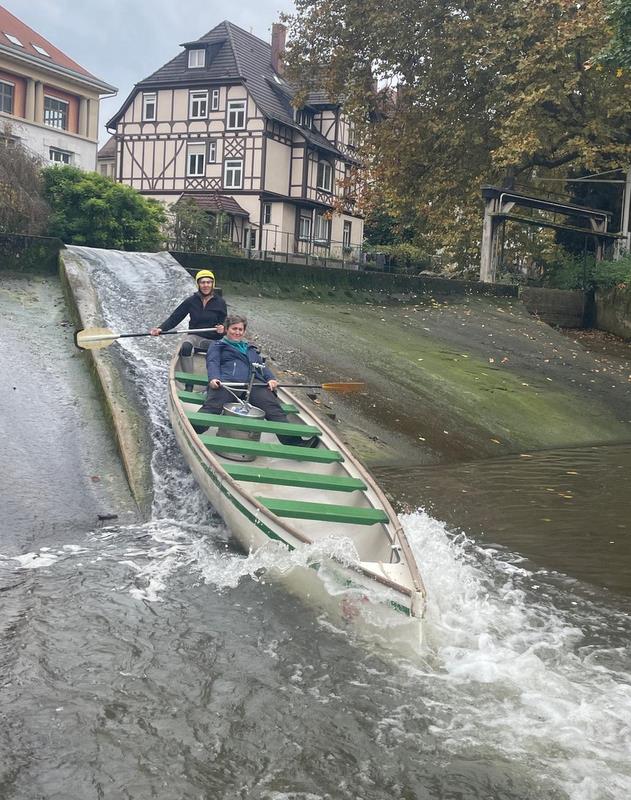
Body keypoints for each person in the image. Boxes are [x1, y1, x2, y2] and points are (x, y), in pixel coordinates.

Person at [196, 314, 318, 447]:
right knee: (213, 407)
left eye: (240, 329)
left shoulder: (251, 348)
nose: (237, 332)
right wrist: (214, 378)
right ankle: (195, 429)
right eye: (234, 328)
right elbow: (212, 362)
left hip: (254, 384)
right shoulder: (218, 345)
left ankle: (295, 442)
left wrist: (271, 379)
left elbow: (261, 366)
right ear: (226, 329)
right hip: (227, 384)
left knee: (274, 410)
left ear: (244, 331)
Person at [150, 269, 227, 376]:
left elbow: (224, 323)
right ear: (198, 284)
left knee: (222, 354)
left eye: (208, 282)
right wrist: (160, 328)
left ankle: (214, 379)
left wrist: (222, 329)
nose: (206, 285)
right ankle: (189, 381)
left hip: (213, 339)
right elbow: (175, 317)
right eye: (202, 282)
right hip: (195, 336)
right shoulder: (191, 301)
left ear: (212, 284)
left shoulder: (220, 302)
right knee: (186, 347)